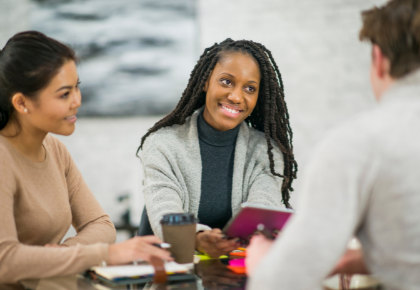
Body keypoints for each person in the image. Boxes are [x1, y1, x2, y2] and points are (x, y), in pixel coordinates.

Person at [246, 0, 420, 289]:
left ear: (378, 58)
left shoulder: (359, 144)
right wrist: (370, 258)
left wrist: (263, 263)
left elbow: (280, 281)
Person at [0, 31, 172, 289]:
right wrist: (102, 254)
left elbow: (101, 225)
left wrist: (61, 255)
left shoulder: (55, 150)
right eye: (64, 94)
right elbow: (5, 261)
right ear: (22, 103)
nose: (77, 101)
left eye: (76, 87)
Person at [138, 38, 298, 258]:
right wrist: (198, 240)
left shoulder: (266, 152)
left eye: (250, 88)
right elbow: (165, 213)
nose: (236, 97)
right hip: (179, 278)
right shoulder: (163, 144)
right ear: (205, 82)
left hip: (241, 275)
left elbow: (261, 215)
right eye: (226, 82)